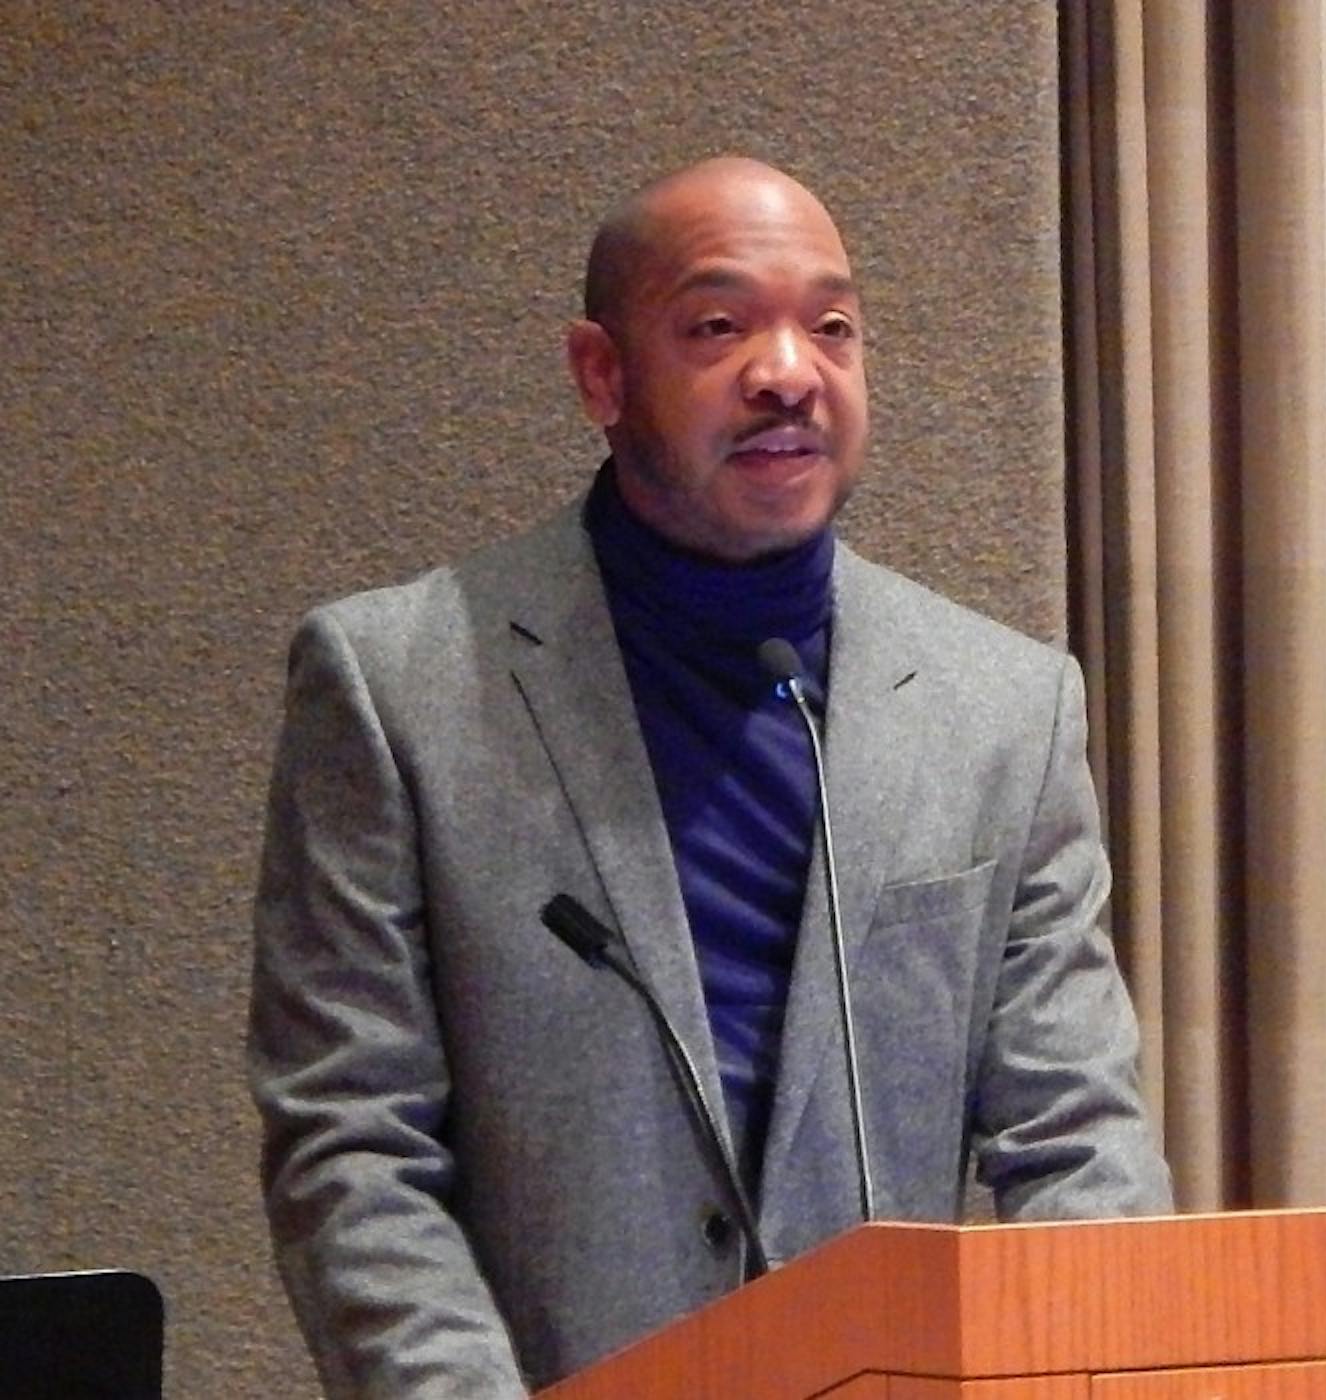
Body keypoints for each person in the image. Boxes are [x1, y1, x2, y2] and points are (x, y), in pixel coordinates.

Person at [247, 156, 1171, 1399]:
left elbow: (1078, 1137)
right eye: (719, 325)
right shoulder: (398, 683)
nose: (788, 370)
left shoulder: (1001, 709)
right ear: (601, 373)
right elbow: (353, 1144)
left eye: (830, 326)